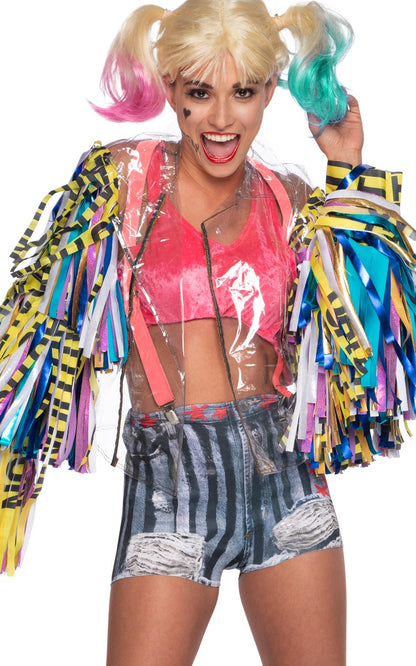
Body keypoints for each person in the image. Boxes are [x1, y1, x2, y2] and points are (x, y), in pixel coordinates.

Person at [0, 1, 415, 665]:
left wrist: (347, 165)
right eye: (200, 93)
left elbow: (364, 349)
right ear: (170, 88)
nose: (222, 119)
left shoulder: (289, 199)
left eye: (243, 93)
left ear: (270, 91)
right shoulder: (122, 185)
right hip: (171, 482)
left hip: (286, 477)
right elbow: (35, 329)